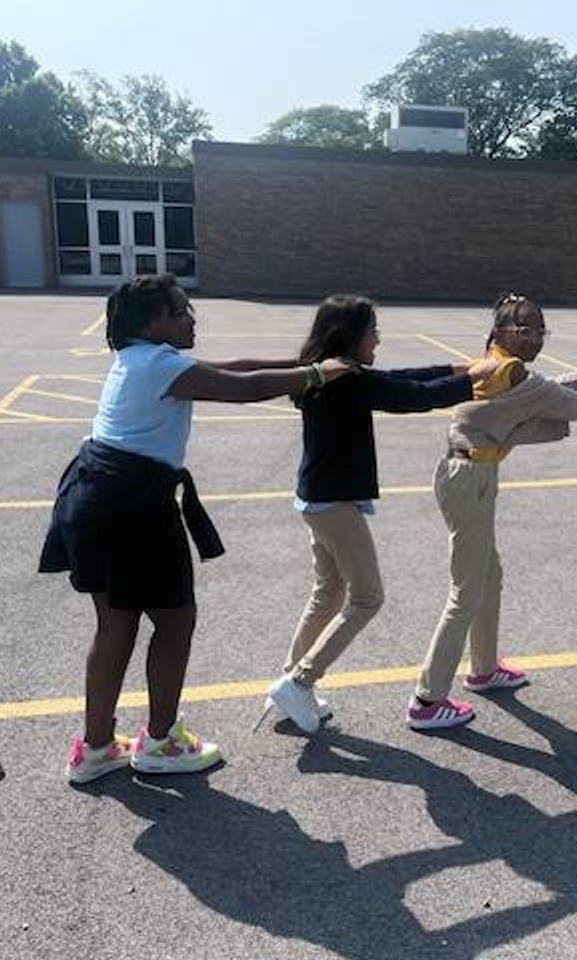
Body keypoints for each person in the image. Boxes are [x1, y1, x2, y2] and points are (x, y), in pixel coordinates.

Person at [40, 275, 351, 783]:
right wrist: (318, 375)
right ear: (152, 321)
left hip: (93, 494)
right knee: (175, 621)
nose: (191, 319)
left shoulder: (138, 360)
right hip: (132, 505)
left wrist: (303, 364)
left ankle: (95, 748)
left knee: (115, 625)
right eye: (182, 310)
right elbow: (244, 388)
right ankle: (160, 743)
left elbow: (232, 368)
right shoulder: (160, 364)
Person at [407, 292, 577, 731]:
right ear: (501, 331)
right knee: (466, 592)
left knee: (489, 578)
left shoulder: (503, 364)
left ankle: (485, 669)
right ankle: (427, 699)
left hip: (472, 474)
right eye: (525, 328)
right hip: (468, 478)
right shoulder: (509, 372)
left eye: (540, 328)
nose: (535, 336)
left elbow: (555, 388)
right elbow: (575, 405)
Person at [263, 294, 499, 733]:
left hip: (317, 499)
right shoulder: (345, 380)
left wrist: (455, 370)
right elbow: (407, 396)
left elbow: (395, 379)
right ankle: (300, 681)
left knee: (328, 591)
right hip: (334, 504)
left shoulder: (332, 372)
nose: (378, 339)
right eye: (373, 331)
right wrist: (471, 383)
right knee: (367, 597)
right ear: (349, 336)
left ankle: (292, 681)